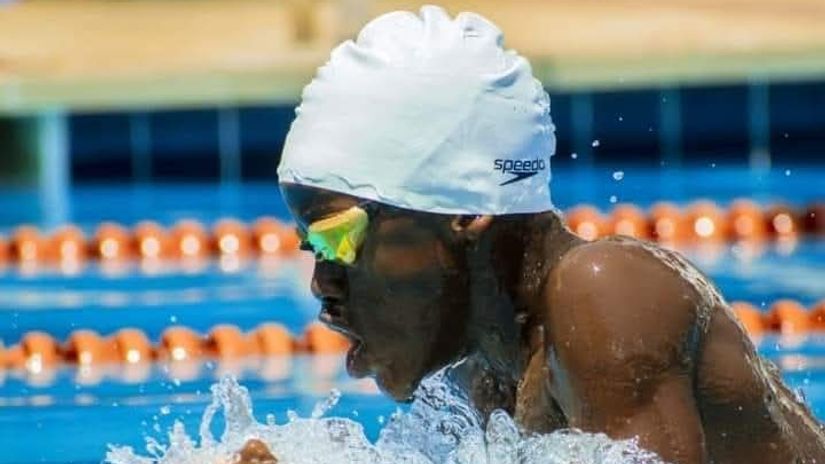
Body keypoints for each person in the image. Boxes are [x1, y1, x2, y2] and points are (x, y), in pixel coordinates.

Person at [275, 6, 825, 463]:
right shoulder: (479, 371)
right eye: (311, 248)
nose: (323, 283)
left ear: (465, 212)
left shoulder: (606, 294)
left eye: (337, 238)